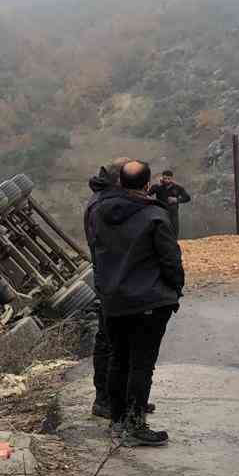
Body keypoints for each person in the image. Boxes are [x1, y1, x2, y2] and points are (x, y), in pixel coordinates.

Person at [89, 159, 183, 446]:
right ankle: (135, 423)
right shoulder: (155, 215)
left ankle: (117, 421)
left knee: (119, 361)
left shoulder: (97, 212)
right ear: (147, 185)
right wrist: (175, 289)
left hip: (113, 301)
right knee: (142, 365)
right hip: (149, 302)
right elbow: (171, 260)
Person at [84, 158, 130, 418]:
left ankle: (123, 396)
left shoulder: (104, 200)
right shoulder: (105, 206)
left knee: (117, 342)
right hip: (111, 280)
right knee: (109, 342)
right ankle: (105, 399)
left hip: (111, 278)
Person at [148, 169, 192, 236]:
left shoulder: (177, 187)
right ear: (162, 177)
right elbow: (147, 195)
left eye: (169, 179)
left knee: (174, 231)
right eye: (165, 178)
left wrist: (176, 200)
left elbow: (187, 198)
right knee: (160, 231)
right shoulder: (157, 186)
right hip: (160, 212)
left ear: (172, 179)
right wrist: (153, 202)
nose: (167, 180)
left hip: (173, 213)